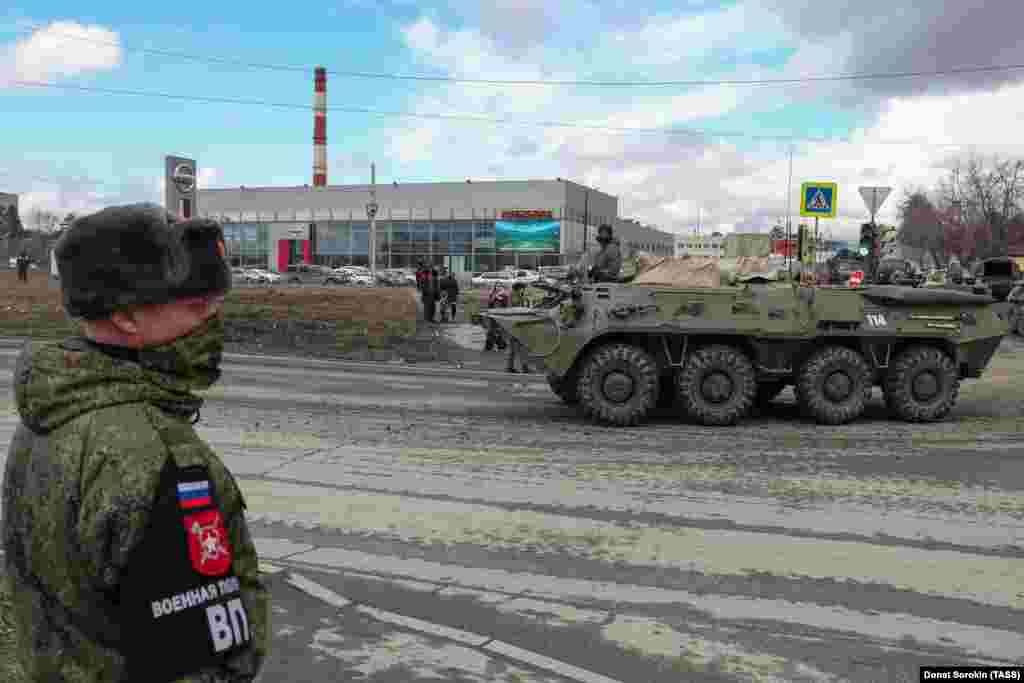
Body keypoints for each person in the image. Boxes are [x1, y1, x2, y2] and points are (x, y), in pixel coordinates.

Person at [2, 204, 268, 682]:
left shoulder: (53, 408)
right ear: (125, 314)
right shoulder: (159, 455)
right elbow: (199, 662)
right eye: (197, 306)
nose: (215, 321)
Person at [506, 281, 532, 373]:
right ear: (518, 288)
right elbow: (516, 308)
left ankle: (510, 367)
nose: (523, 290)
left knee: (514, 348)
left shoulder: (516, 295)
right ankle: (524, 368)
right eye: (522, 288)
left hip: (515, 324)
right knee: (521, 348)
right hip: (515, 324)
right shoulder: (514, 295)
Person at [483, 284, 509, 352]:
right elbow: (490, 304)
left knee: (496, 331)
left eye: (500, 286)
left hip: (499, 315)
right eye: (497, 286)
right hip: (493, 315)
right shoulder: (492, 294)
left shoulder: (504, 295)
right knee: (493, 331)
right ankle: (495, 345)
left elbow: (505, 305)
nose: (498, 287)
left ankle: (499, 345)